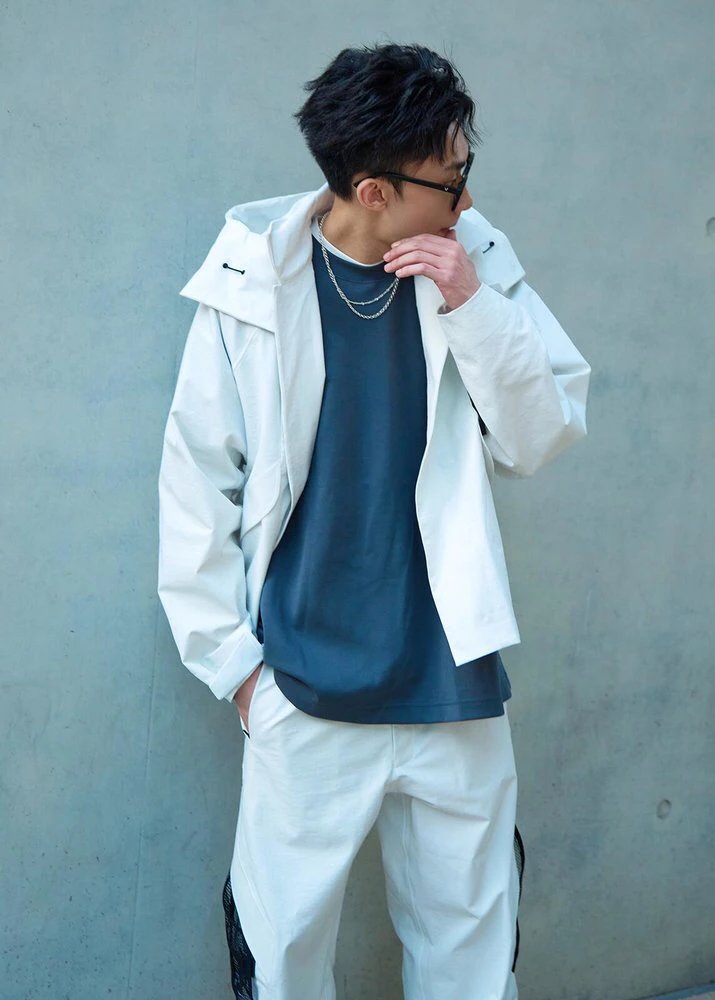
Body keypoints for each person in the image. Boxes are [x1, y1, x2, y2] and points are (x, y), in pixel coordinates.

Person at [157, 41, 590, 1000]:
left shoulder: (477, 261)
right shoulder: (250, 283)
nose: (468, 199)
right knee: (283, 958)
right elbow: (194, 486)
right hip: (303, 684)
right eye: (451, 177)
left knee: (474, 960)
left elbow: (543, 434)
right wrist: (239, 673)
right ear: (374, 190)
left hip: (453, 682)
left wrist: (471, 305)